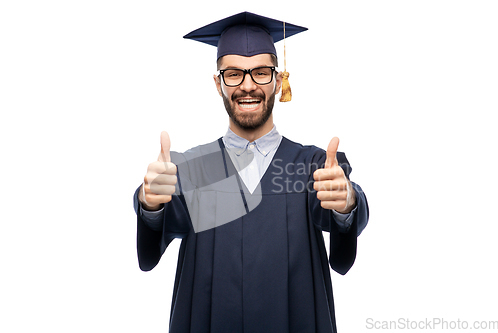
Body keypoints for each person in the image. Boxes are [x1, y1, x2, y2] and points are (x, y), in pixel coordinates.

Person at [133, 12, 369, 333]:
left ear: (277, 79)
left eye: (260, 72)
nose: (247, 85)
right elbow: (158, 218)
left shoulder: (312, 165)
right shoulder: (193, 170)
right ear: (218, 83)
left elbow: (342, 205)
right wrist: (150, 202)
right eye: (233, 74)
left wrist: (347, 203)